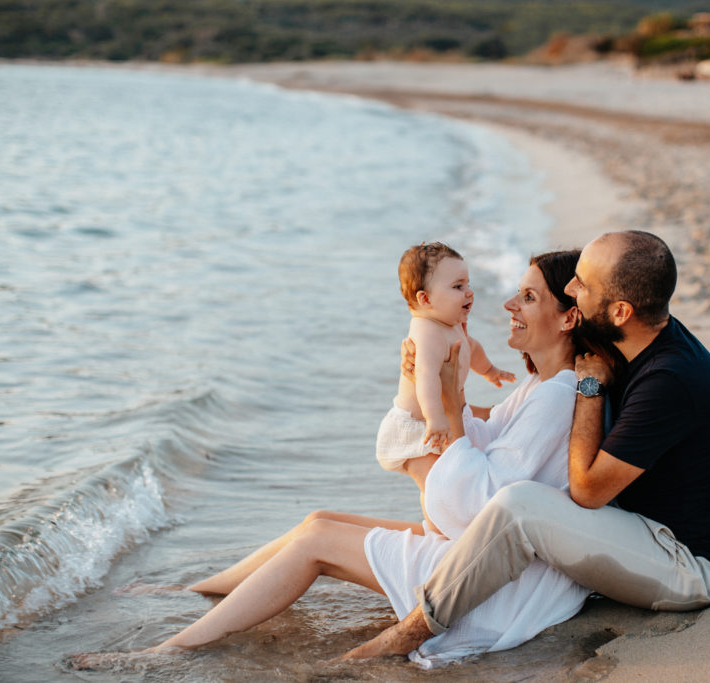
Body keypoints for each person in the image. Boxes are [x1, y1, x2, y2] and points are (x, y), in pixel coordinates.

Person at [71, 250, 618, 669]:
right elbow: (483, 444)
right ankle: (195, 592)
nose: (508, 305)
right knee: (319, 519)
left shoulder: (556, 397)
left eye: (527, 297)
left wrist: (451, 407)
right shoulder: (541, 387)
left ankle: (168, 650)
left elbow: (479, 506)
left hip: (493, 587)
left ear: (567, 318)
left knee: (317, 541)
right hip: (490, 560)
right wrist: (449, 399)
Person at [341, 230, 710, 660]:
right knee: (513, 504)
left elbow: (587, 490)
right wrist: (441, 388)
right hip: (642, 534)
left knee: (520, 505)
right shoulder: (635, 341)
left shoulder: (667, 379)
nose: (571, 289)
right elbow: (512, 416)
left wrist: (589, 389)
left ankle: (409, 634)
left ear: (621, 311)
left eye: (582, 285)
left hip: (687, 566)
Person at [377, 242, 514, 530]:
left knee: (451, 483)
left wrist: (489, 370)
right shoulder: (426, 331)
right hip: (420, 428)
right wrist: (435, 417)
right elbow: (426, 377)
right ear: (425, 299)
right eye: (457, 286)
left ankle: (444, 526)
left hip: (444, 421)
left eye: (468, 284)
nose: (469, 292)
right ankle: (437, 531)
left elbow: (470, 347)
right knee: (434, 486)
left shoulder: (451, 324)